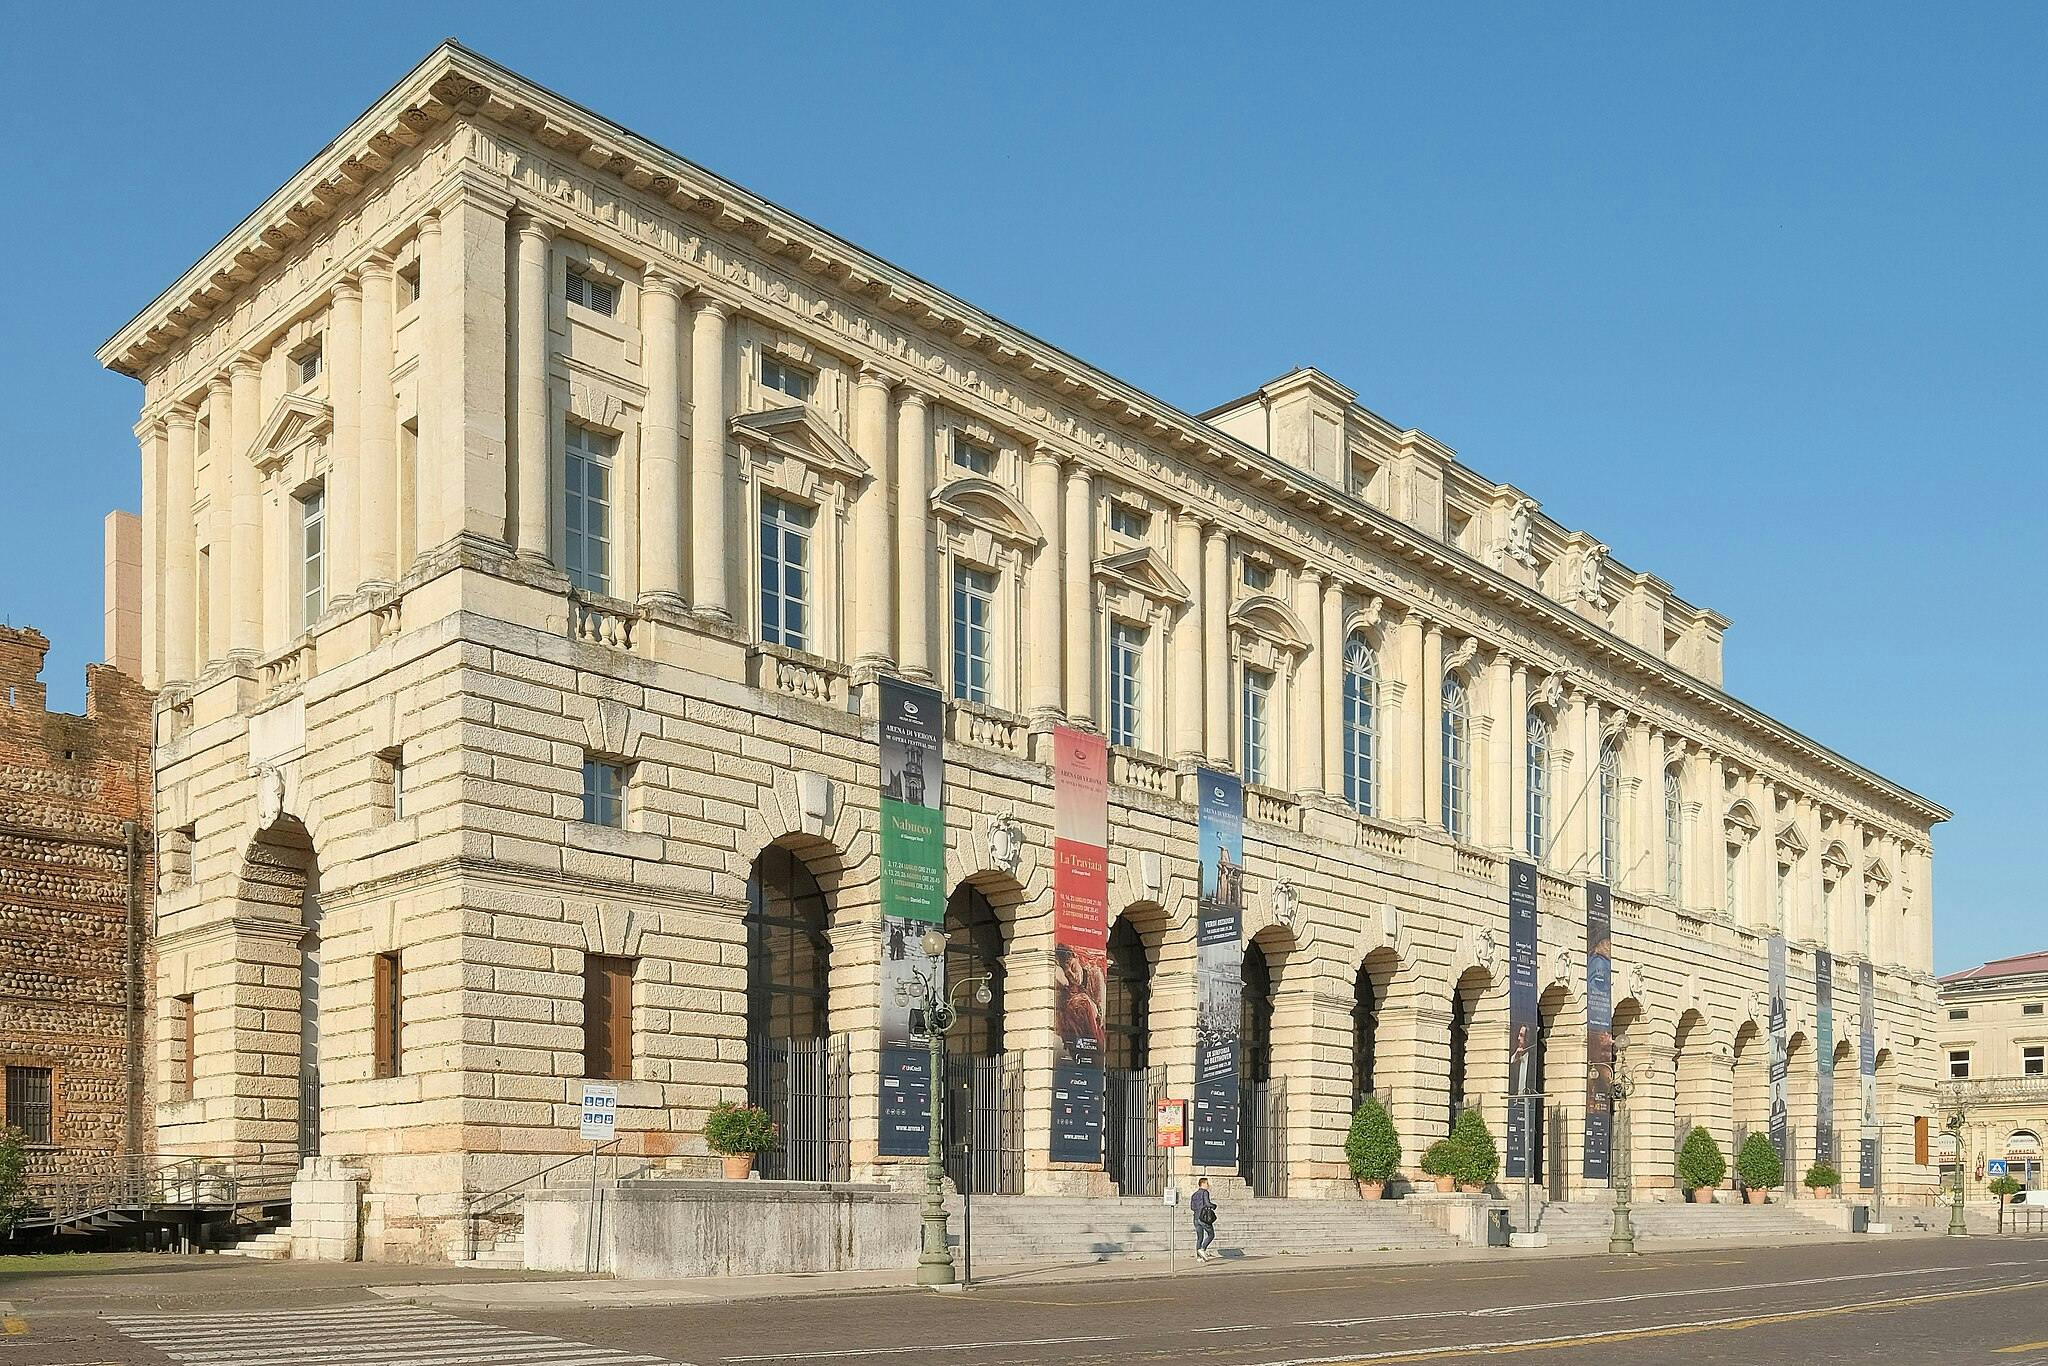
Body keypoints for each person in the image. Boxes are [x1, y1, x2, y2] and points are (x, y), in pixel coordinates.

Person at [1190, 1177, 1217, 1261]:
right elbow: (1207, 1203)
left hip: (1196, 1218)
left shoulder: (1194, 1194)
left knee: (1199, 1238)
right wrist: (1213, 1206)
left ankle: (1199, 1257)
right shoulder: (1205, 1192)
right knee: (1211, 1234)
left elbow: (1192, 1207)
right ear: (1203, 1184)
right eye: (1207, 1183)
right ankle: (1203, 1249)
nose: (1208, 1185)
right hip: (1203, 1218)